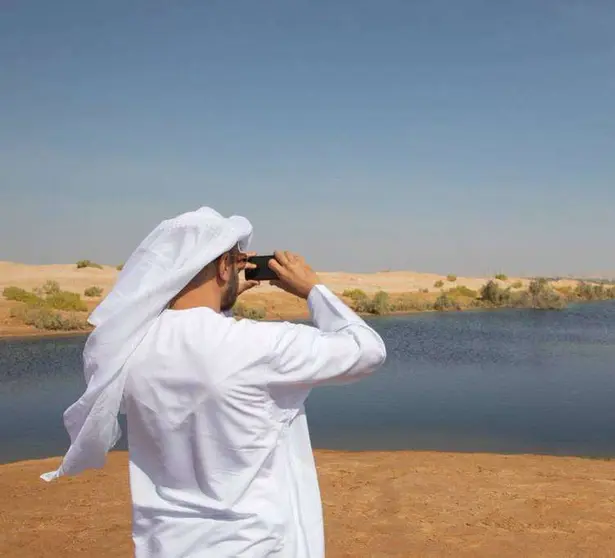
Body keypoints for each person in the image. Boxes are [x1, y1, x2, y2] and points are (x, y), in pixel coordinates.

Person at [40, 207, 387, 557]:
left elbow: (201, 355)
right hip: (253, 545)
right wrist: (314, 291)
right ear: (224, 267)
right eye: (235, 260)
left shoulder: (128, 350)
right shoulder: (257, 347)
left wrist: (223, 302)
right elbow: (367, 350)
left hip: (165, 543)